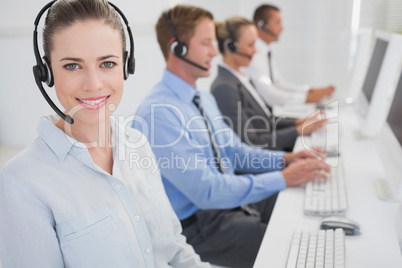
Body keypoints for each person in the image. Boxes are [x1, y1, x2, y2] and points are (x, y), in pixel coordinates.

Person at [0, 0, 208, 267]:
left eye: (107, 64)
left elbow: (175, 250)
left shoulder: (137, 143)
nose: (93, 84)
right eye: (72, 66)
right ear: (47, 73)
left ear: (126, 66)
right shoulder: (22, 182)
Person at [133, 5, 329, 268]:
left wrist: (286, 159)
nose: (215, 51)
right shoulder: (158, 115)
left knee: (303, 209)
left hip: (227, 207)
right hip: (201, 227)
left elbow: (234, 152)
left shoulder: (202, 98)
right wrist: (282, 178)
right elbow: (208, 191)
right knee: (293, 250)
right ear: (176, 48)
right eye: (206, 43)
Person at [211, 17, 327, 152]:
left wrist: (298, 122)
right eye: (250, 45)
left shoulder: (242, 77)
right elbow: (250, 142)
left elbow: (265, 121)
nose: (255, 51)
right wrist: (298, 131)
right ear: (231, 46)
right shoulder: (225, 88)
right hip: (263, 160)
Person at [243, 4, 335, 106]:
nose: (281, 28)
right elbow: (270, 94)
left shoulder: (265, 51)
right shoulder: (253, 54)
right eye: (277, 23)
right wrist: (307, 98)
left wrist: (309, 91)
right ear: (262, 26)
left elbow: (278, 83)